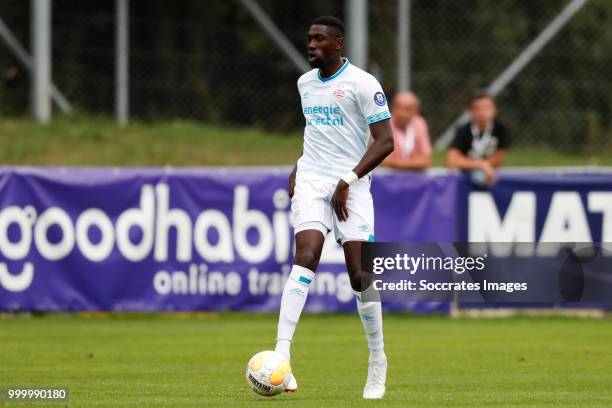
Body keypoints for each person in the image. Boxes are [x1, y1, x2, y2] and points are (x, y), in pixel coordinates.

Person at [275, 16, 394, 399]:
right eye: (308, 39)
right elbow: (317, 132)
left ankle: (377, 360)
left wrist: (348, 180)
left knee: (360, 275)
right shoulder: (304, 83)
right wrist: (299, 163)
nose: (311, 45)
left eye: (319, 39)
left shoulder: (362, 83)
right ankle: (281, 358)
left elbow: (385, 142)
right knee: (306, 255)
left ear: (338, 43)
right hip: (313, 179)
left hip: (353, 185)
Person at [446, 90, 509, 185]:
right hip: (465, 178)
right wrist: (481, 165)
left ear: (494, 110)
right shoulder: (463, 130)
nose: (482, 112)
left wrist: (479, 165)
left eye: (486, 108)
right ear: (470, 111)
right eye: (477, 108)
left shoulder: (500, 129)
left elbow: (498, 159)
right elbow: (451, 161)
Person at [382, 92, 432, 170]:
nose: (401, 113)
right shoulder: (383, 124)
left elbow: (426, 160)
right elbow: (382, 160)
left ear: (416, 111)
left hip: (412, 178)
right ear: (391, 108)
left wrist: (395, 162)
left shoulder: (419, 123)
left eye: (407, 109)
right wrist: (414, 163)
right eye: (398, 107)